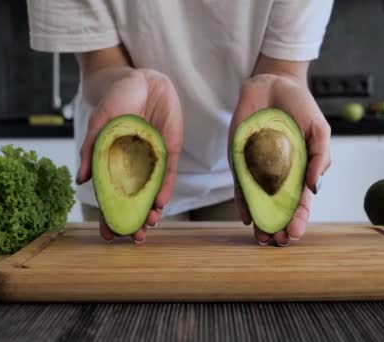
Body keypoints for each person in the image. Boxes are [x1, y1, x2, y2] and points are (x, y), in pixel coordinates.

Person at [27, 0, 333, 246]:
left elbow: (283, 66)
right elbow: (100, 64)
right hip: (121, 132)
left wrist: (280, 81)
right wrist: (133, 82)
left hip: (233, 167)